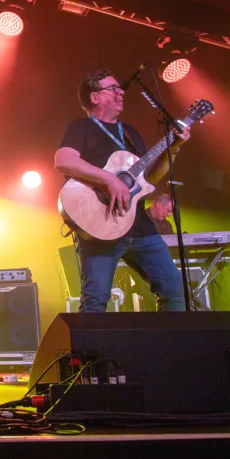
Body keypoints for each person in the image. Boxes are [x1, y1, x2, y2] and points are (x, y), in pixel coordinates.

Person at [54, 69, 189, 313]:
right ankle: (90, 352)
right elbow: (63, 160)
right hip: (100, 228)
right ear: (94, 97)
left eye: (120, 88)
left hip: (140, 227)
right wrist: (109, 179)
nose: (120, 93)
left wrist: (175, 147)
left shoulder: (129, 132)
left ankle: (168, 349)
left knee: (175, 293)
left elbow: (150, 179)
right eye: (113, 88)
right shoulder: (81, 127)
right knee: (95, 302)